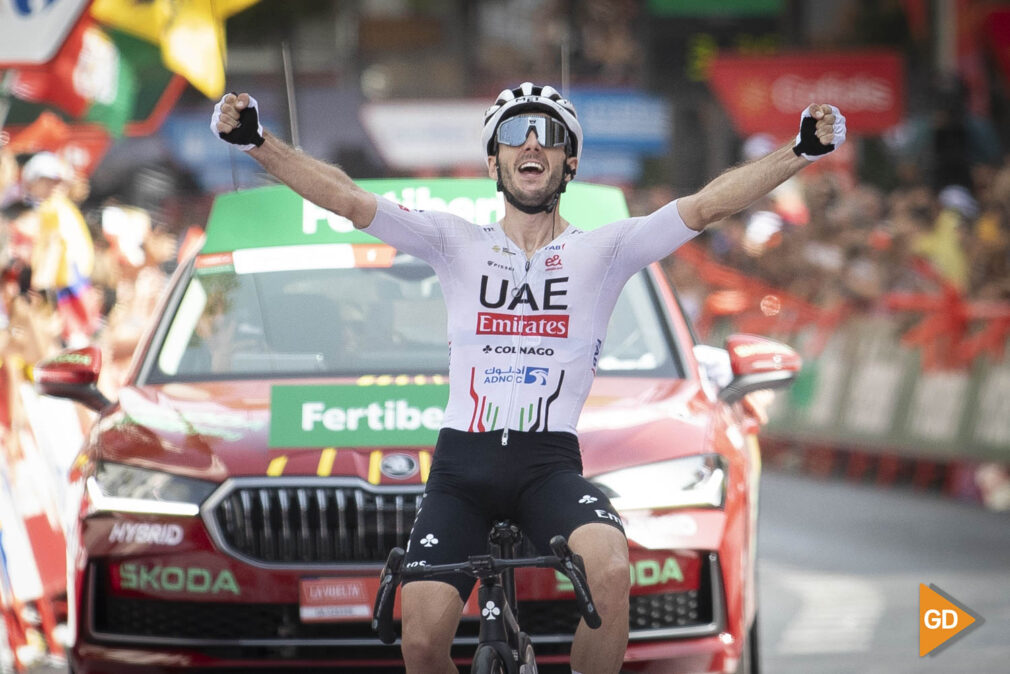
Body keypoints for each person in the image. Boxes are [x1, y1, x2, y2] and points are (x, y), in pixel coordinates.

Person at [211, 82, 845, 674]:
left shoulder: (608, 250)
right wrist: (256, 143)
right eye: (516, 133)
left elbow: (706, 205)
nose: (533, 143)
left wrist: (800, 151)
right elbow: (347, 199)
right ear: (494, 164)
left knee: (612, 569)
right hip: (461, 472)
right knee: (424, 640)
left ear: (569, 165)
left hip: (548, 467)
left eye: (550, 135)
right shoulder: (452, 241)